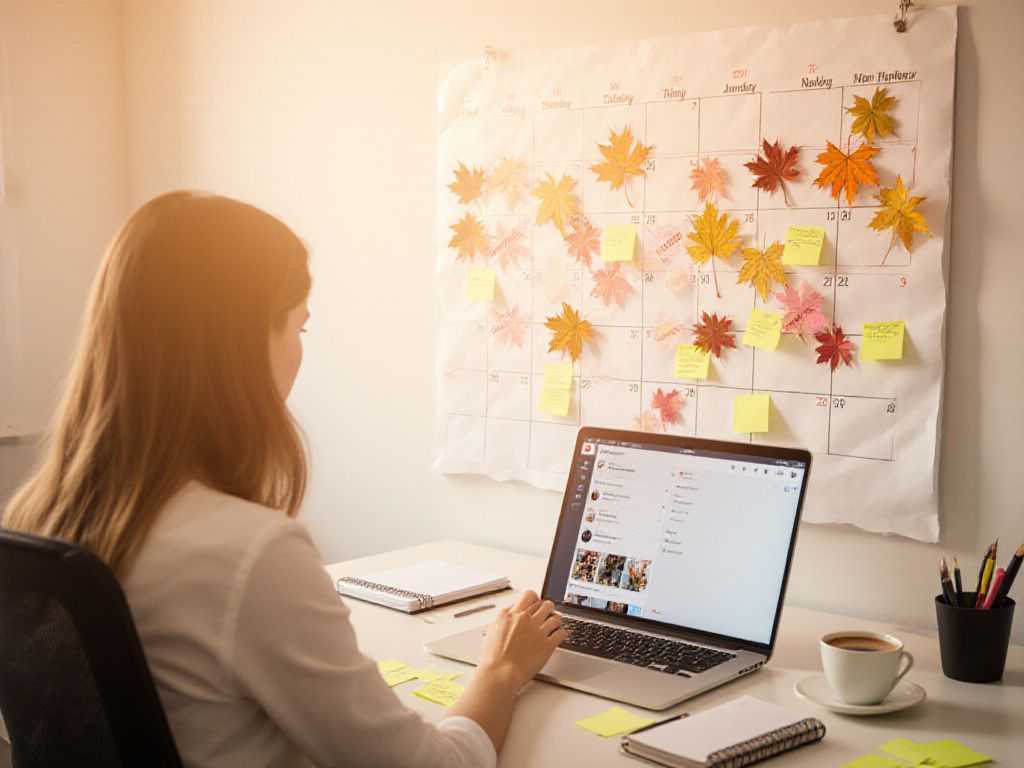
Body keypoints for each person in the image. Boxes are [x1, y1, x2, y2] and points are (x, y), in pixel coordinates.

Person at [3, 192, 566, 768]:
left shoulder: (36, 516)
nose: (299, 351)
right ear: (242, 345)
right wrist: (500, 672)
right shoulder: (249, 551)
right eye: (299, 326)